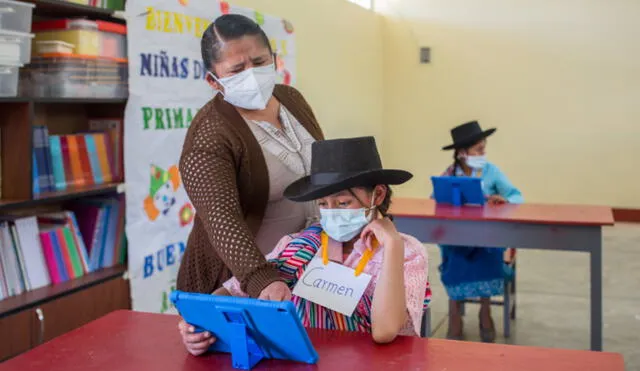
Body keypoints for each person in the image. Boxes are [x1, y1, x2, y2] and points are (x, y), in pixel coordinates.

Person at [179, 137, 431, 353]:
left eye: (343, 203)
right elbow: (235, 290)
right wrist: (198, 322)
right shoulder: (299, 246)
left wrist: (392, 244)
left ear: (378, 194)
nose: (331, 213)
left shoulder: (406, 253)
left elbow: (385, 331)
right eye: (323, 205)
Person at [176, 14, 324, 352]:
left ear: (274, 59)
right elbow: (222, 221)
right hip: (242, 281)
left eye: (259, 62)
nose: (252, 74)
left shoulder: (291, 99)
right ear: (213, 81)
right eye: (236, 69)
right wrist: (260, 278)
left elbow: (321, 170)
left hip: (303, 265)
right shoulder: (210, 135)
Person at [438, 121, 523, 343]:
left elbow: (516, 196)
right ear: (462, 152)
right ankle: (454, 311)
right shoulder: (450, 174)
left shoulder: (492, 171)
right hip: (458, 237)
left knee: (488, 253)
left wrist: (503, 200)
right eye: (478, 149)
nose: (483, 152)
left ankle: (485, 311)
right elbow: (436, 200)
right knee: (452, 254)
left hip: (488, 236)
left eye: (483, 147)